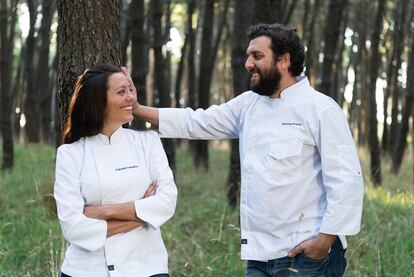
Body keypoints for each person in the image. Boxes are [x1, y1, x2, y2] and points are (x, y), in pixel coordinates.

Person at [130, 23, 364, 276]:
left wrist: (324, 242)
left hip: (306, 255)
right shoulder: (248, 104)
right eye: (248, 56)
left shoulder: (321, 109)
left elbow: (346, 180)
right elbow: (197, 122)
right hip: (259, 256)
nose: (248, 63)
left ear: (284, 60)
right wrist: (136, 109)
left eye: (257, 56)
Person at [54, 64, 177, 277]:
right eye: (121, 92)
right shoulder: (70, 154)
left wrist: (104, 211)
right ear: (97, 101)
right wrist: (143, 215)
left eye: (130, 89)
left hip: (147, 265)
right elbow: (73, 228)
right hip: (87, 269)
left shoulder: (148, 142)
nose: (131, 97)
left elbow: (167, 203)